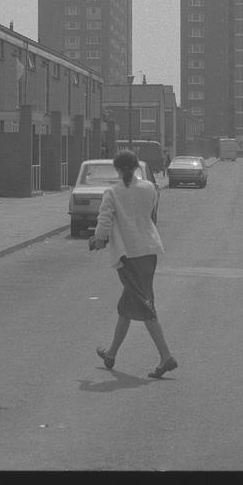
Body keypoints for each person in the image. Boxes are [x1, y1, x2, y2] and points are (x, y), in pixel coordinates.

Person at [90, 150, 178, 379]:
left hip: (129, 255)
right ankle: (111, 354)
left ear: (117, 169)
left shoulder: (112, 192)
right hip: (149, 251)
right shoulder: (149, 188)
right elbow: (149, 214)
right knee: (127, 306)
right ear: (137, 167)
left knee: (145, 306)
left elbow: (105, 221)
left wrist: (98, 240)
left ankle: (166, 356)